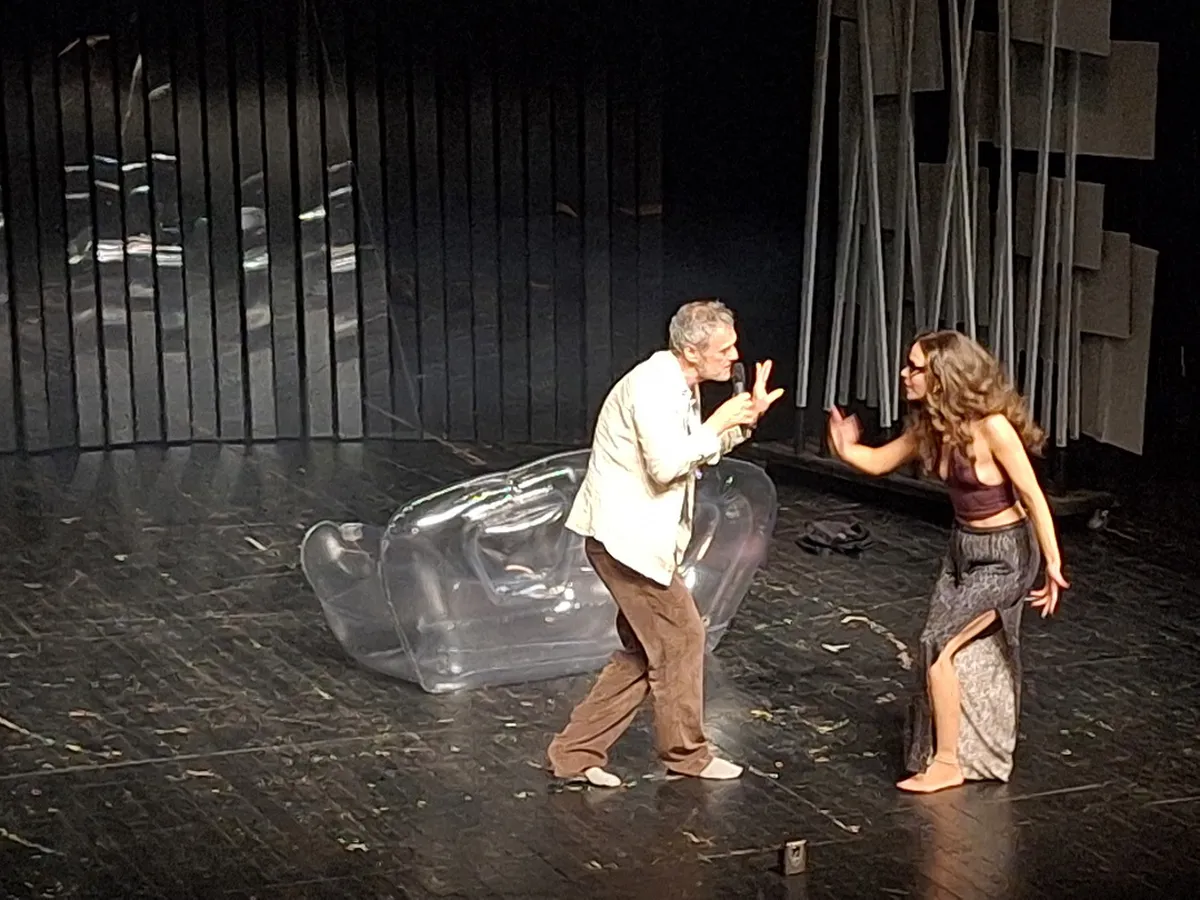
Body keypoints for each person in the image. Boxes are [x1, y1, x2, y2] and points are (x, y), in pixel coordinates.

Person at [546, 299, 784, 787]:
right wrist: (718, 422)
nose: (734, 355)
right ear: (692, 351)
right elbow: (666, 465)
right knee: (682, 637)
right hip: (625, 540)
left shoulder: (679, 385)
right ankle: (687, 755)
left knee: (645, 650)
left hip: (638, 539)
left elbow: (694, 453)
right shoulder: (653, 387)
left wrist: (743, 422)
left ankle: (574, 753)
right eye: (725, 348)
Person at [826, 330, 1068, 794]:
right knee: (934, 649)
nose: (905, 374)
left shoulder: (992, 428)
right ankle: (945, 752)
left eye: (915, 367)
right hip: (962, 551)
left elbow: (1033, 496)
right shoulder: (930, 428)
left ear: (943, 376)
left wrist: (1053, 564)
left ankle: (947, 763)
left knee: (937, 644)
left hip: (1005, 556)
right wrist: (844, 447)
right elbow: (877, 462)